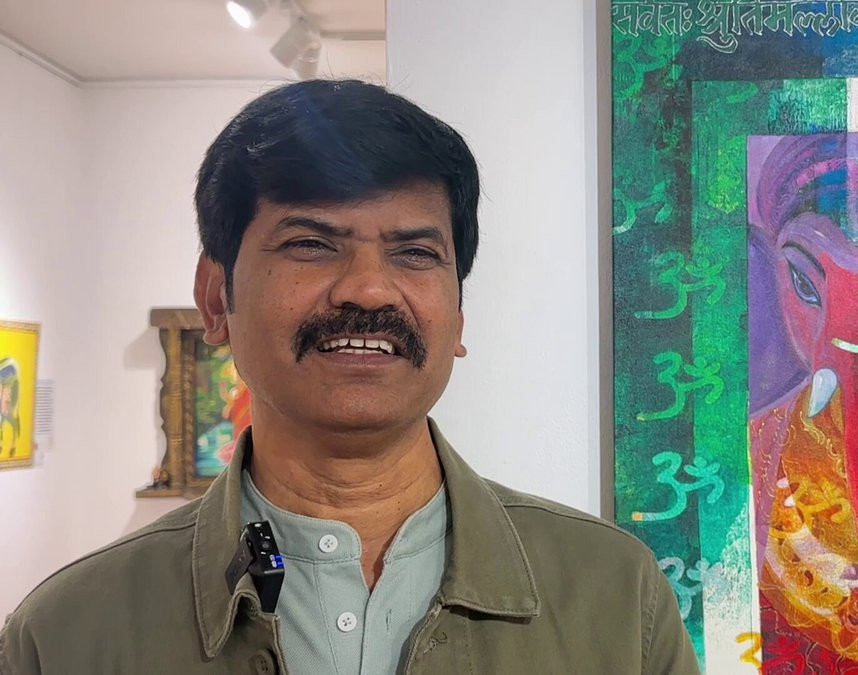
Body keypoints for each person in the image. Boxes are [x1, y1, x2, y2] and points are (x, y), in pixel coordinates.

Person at [0, 80, 699, 675]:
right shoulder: (66, 634)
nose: (367, 289)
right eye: (310, 243)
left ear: (458, 316)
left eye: (415, 252)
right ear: (215, 299)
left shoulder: (616, 598)